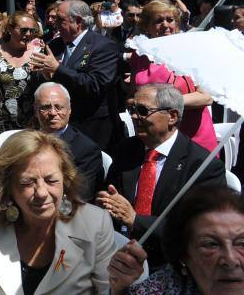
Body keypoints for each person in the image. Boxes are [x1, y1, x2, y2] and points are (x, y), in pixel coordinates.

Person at [0, 130, 115, 294]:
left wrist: (120, 286)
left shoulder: (95, 224)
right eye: (27, 182)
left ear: (65, 179)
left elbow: (108, 289)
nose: (42, 193)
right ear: (7, 188)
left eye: (51, 180)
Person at [96, 83, 226, 269]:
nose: (134, 116)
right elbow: (108, 196)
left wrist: (136, 221)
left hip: (170, 263)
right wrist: (106, 202)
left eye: (142, 110)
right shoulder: (127, 150)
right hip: (117, 253)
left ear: (172, 117)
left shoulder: (202, 166)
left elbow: (198, 230)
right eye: (132, 108)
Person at [108, 185, 244, 295]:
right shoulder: (161, 288)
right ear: (183, 256)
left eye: (242, 243)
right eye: (211, 244)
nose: (231, 260)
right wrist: (120, 290)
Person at [30, 0, 121, 150]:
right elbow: (39, 76)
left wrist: (58, 69)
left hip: (91, 127)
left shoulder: (104, 46)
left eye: (60, 19)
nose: (54, 23)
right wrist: (44, 75)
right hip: (57, 125)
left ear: (78, 21)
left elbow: (95, 84)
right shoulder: (54, 45)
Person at [128, 0, 217, 153]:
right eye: (158, 21)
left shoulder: (192, 52)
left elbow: (206, 97)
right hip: (152, 135)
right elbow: (132, 95)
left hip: (191, 136)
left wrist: (159, 105)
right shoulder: (139, 54)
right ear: (147, 26)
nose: (165, 25)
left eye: (170, 20)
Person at [33, 82, 103, 201]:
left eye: (59, 107)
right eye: (45, 107)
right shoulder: (26, 141)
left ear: (69, 110)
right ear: (35, 109)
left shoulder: (86, 150)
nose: (53, 113)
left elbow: (80, 197)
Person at [0, 12, 41, 134]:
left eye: (31, 31)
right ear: (10, 30)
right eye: (23, 30)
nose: (28, 34)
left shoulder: (38, 54)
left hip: (30, 125)